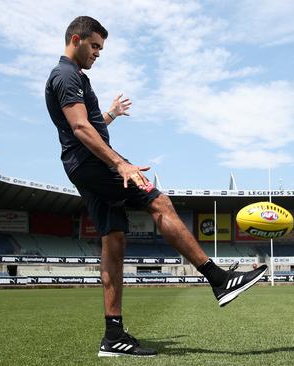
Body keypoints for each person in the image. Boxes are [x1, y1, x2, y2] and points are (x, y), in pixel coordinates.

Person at [45, 16, 267, 358]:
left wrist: (111, 115)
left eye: (100, 49)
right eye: (94, 47)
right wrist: (120, 164)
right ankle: (218, 280)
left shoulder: (74, 78)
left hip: (84, 166)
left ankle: (113, 335)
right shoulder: (65, 75)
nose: (98, 54)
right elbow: (79, 129)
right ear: (76, 39)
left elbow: (89, 124)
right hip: (93, 164)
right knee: (159, 202)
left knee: (114, 239)